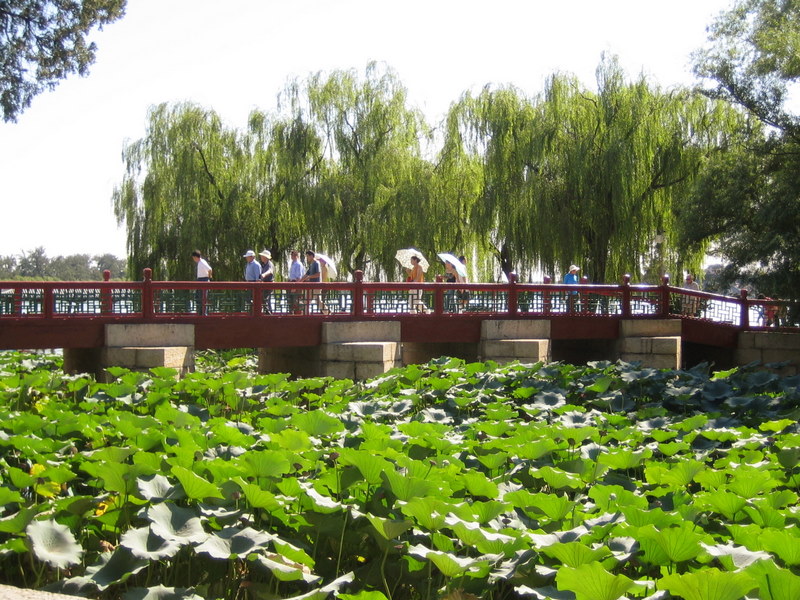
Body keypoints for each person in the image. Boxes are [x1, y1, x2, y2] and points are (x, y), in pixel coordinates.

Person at [191, 250, 212, 314]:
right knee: (199, 297)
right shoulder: (200, 262)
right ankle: (200, 312)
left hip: (203, 280)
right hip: (200, 280)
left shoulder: (202, 262)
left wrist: (209, 277)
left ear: (195, 257)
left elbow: (210, 269)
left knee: (203, 298)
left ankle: (203, 313)